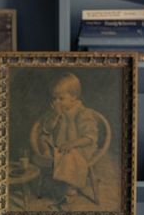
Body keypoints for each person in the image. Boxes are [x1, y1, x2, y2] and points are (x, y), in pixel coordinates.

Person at [30, 71, 101, 206]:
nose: (56, 102)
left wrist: (72, 143)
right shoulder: (57, 110)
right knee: (44, 138)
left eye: (61, 98)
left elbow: (90, 137)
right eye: (54, 99)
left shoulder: (83, 113)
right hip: (60, 145)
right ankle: (51, 157)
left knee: (70, 155)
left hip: (79, 148)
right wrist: (56, 116)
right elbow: (47, 129)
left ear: (74, 97)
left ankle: (70, 189)